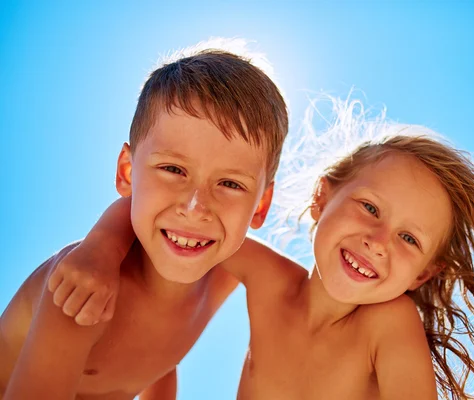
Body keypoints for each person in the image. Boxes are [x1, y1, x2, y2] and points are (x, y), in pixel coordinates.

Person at [47, 100, 474, 399]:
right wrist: (99, 248)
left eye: (408, 239)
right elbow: (180, 220)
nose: (377, 242)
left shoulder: (388, 323)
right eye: (370, 209)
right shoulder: (267, 279)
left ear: (424, 273)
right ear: (322, 197)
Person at [0, 42, 288, 399]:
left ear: (260, 205)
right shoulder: (83, 287)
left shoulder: (227, 273)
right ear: (127, 172)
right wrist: (102, 245)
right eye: (172, 169)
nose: (195, 207)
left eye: (230, 183)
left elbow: (160, 361)